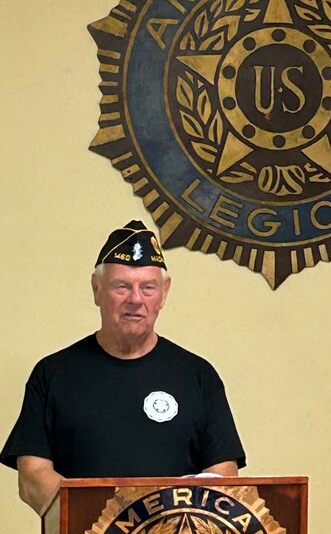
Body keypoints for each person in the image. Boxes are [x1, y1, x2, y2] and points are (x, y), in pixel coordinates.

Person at [0, 221, 245, 516]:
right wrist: (103, 527)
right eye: (122, 286)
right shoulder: (53, 375)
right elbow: (32, 476)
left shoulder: (198, 376)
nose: (135, 299)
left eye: (148, 287)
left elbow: (223, 474)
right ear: (96, 289)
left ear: (164, 293)